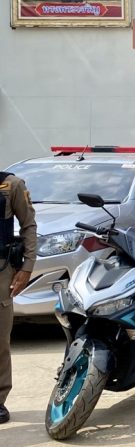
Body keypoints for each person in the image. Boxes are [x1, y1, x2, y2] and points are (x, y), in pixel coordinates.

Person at [0, 170, 37, 425]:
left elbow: (28, 225)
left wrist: (27, 267)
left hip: (1, 269)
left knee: (0, 338)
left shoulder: (11, 185)